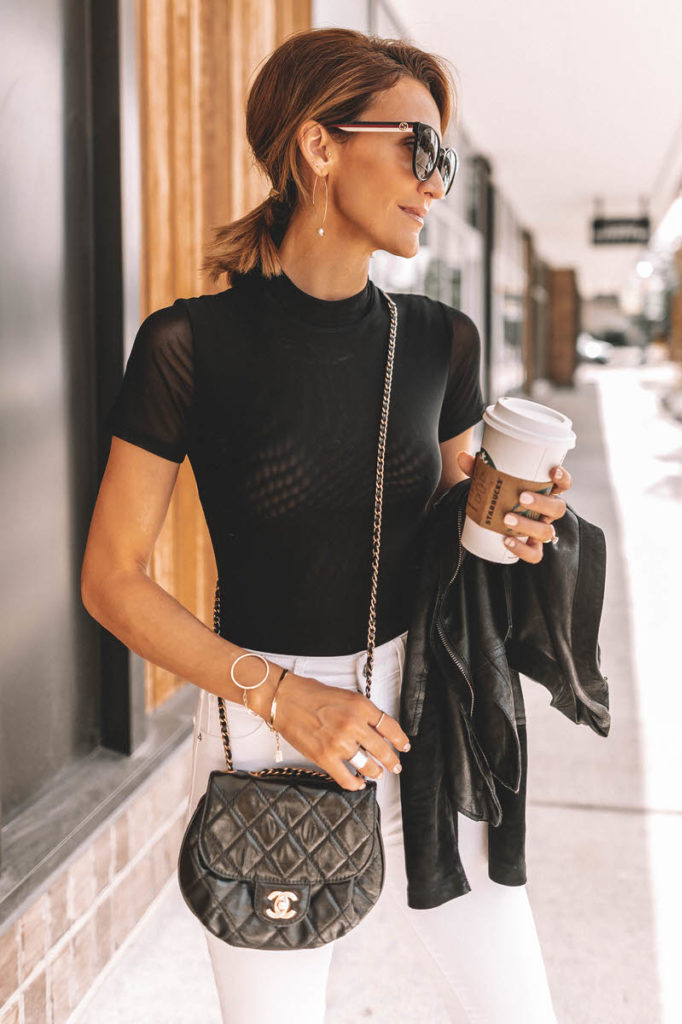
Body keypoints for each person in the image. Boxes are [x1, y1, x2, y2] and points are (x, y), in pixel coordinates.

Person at [81, 26, 573, 1024]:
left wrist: (522, 523)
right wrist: (284, 697)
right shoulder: (187, 348)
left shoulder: (441, 339)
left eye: (443, 158)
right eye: (420, 149)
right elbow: (112, 578)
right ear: (319, 145)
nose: (436, 181)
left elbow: (454, 513)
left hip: (429, 714)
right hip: (262, 730)